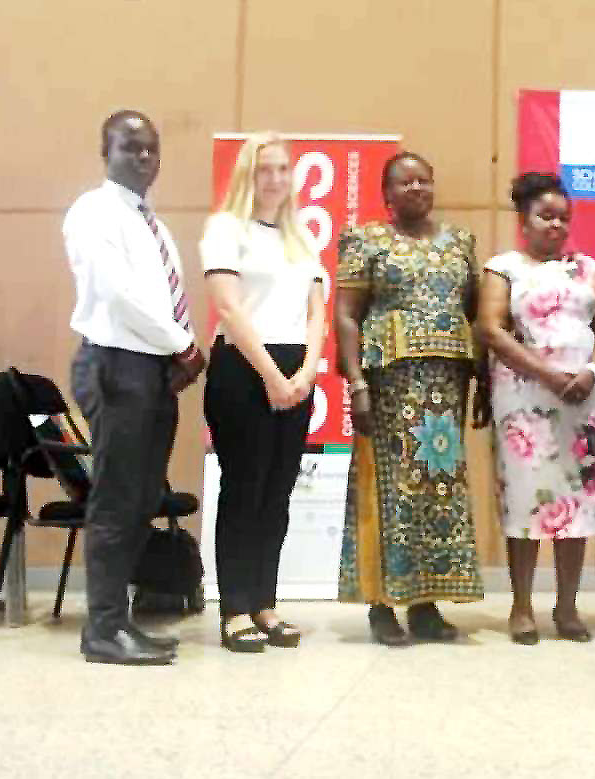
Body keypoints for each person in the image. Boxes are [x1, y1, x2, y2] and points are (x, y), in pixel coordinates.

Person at [64, 110, 205, 664]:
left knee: (142, 498)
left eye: (152, 149)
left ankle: (119, 621)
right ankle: (100, 630)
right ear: (106, 151)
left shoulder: (151, 220)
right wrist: (184, 345)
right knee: (117, 500)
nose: (144, 158)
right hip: (116, 365)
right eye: (131, 148)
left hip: (149, 369)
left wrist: (179, 349)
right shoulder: (94, 211)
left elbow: (163, 295)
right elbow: (120, 294)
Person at [334, 151, 485, 646]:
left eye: (424, 180)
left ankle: (425, 606)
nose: (416, 188)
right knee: (388, 491)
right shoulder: (365, 240)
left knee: (437, 495)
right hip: (387, 385)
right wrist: (355, 382)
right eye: (405, 182)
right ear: (387, 194)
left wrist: (480, 379)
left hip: (446, 389)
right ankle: (380, 606)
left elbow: (475, 315)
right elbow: (347, 314)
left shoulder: (461, 242)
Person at [478, 172, 595, 644]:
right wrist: (547, 374)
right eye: (545, 216)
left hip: (582, 399)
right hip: (525, 402)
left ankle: (567, 606)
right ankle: (521, 606)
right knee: (525, 499)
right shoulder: (504, 267)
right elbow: (491, 329)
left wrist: (591, 373)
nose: (555, 225)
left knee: (577, 504)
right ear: (524, 219)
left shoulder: (586, 267)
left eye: (563, 217)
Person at [200, 133, 327, 653]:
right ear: (247, 174)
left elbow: (318, 312)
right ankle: (234, 609)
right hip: (243, 368)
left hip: (297, 371)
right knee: (244, 489)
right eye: (264, 169)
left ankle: (264, 602)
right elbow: (230, 310)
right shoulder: (225, 228)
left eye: (282, 169)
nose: (275, 179)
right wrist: (274, 376)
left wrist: (306, 375)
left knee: (277, 495)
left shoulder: (302, 238)